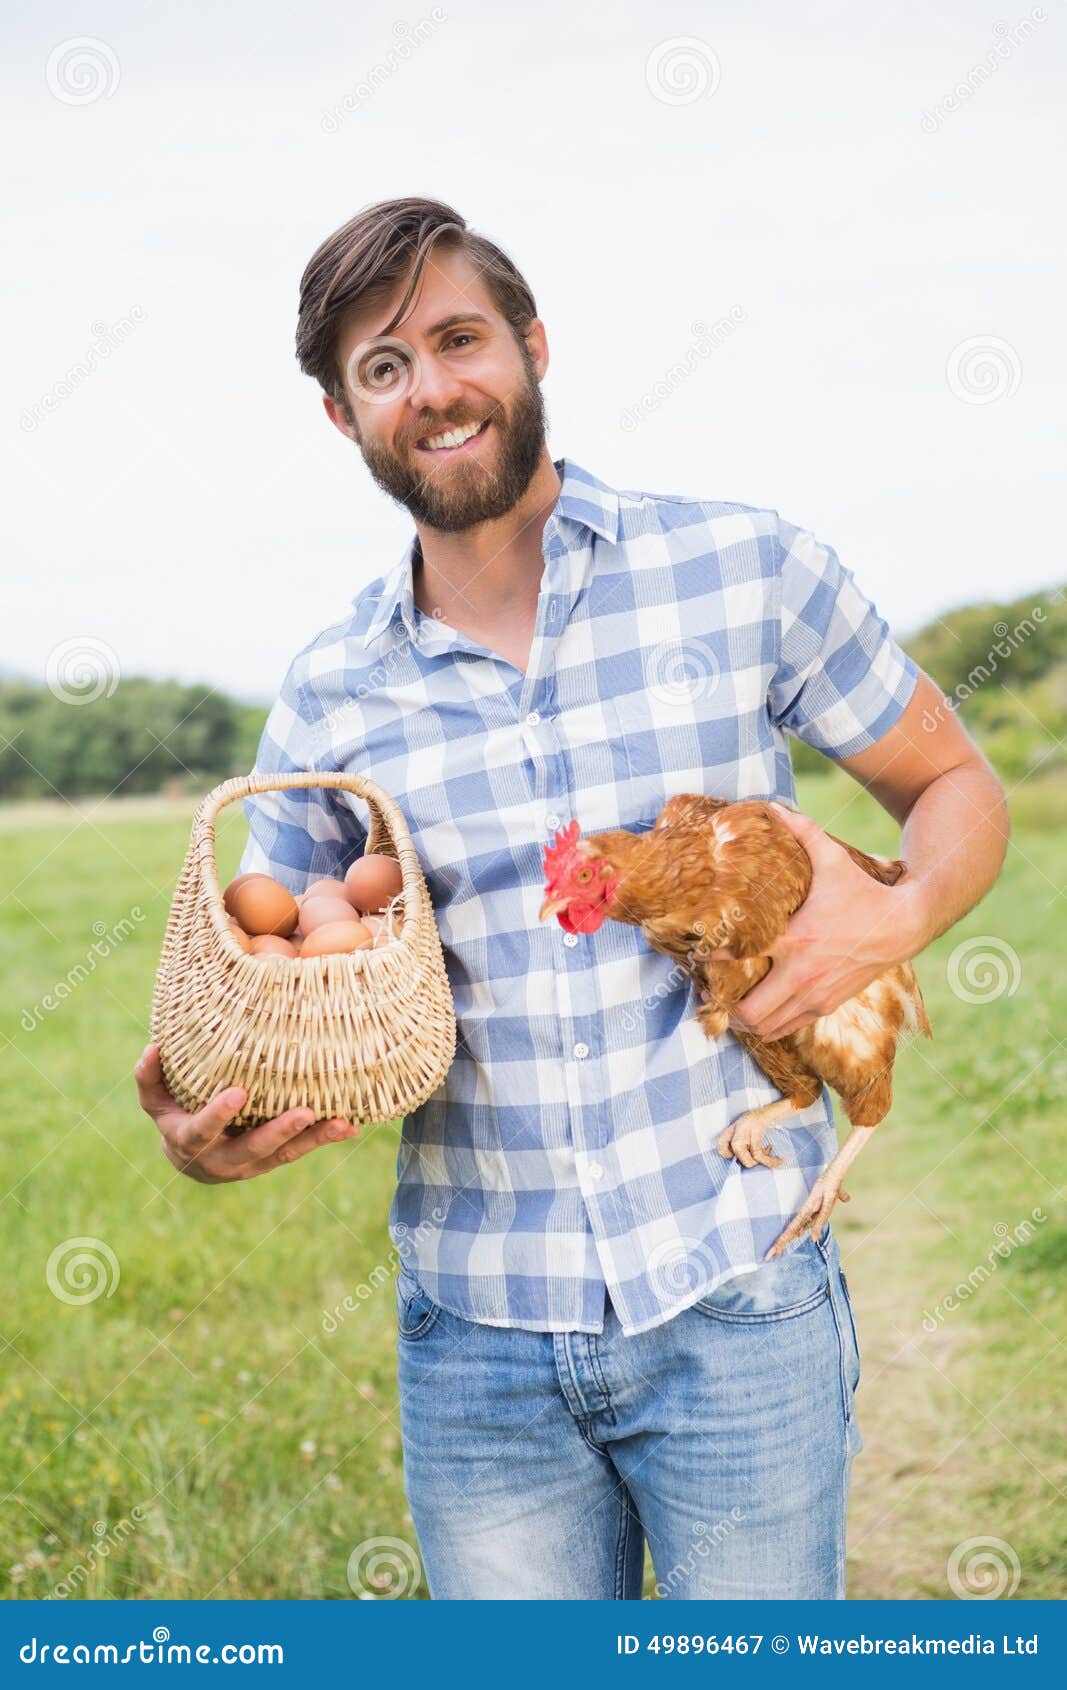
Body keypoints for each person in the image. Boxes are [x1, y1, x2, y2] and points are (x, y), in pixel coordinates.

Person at [136, 197, 1009, 1600]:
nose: (432, 388)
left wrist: (898, 917)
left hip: (737, 1298)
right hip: (479, 1346)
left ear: (532, 345)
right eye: (383, 366)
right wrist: (204, 1116)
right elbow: (277, 960)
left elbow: (957, 784)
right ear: (342, 416)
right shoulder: (330, 691)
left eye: (458, 337)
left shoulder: (740, 567)